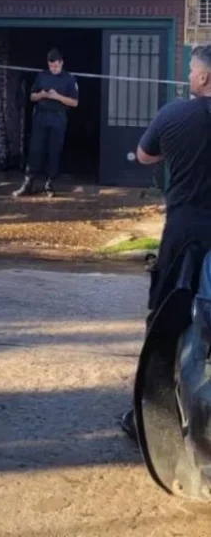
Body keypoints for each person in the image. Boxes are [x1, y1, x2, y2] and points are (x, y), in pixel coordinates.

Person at [121, 44, 211, 440]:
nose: (189, 76)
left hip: (184, 230)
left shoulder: (173, 114)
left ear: (204, 77)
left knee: (164, 317)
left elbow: (143, 155)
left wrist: (169, 155)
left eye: (192, 70)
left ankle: (148, 414)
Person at [13, 48, 79, 197]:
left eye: (55, 65)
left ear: (61, 63)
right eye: (50, 65)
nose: (53, 68)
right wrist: (41, 94)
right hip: (41, 117)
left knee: (53, 150)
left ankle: (50, 183)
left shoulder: (69, 78)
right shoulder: (42, 76)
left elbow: (74, 102)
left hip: (58, 117)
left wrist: (57, 97)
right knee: (35, 149)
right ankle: (28, 183)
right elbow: (31, 96)